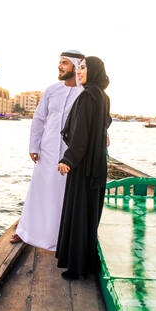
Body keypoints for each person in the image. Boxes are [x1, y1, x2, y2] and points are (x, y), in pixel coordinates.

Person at [11, 50, 85, 251]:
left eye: (64, 63)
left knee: (62, 194)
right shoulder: (52, 90)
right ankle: (26, 231)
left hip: (71, 154)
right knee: (39, 190)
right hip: (48, 149)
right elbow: (38, 117)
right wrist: (34, 145)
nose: (60, 66)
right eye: (60, 63)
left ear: (76, 66)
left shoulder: (85, 92)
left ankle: (60, 237)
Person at [55, 56, 112, 280]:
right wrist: (103, 134)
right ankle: (87, 263)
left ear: (94, 70)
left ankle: (76, 268)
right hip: (97, 164)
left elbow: (80, 134)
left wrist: (68, 160)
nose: (79, 71)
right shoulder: (102, 96)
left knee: (78, 213)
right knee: (89, 215)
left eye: (84, 68)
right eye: (78, 68)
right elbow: (104, 122)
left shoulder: (87, 96)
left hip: (83, 165)